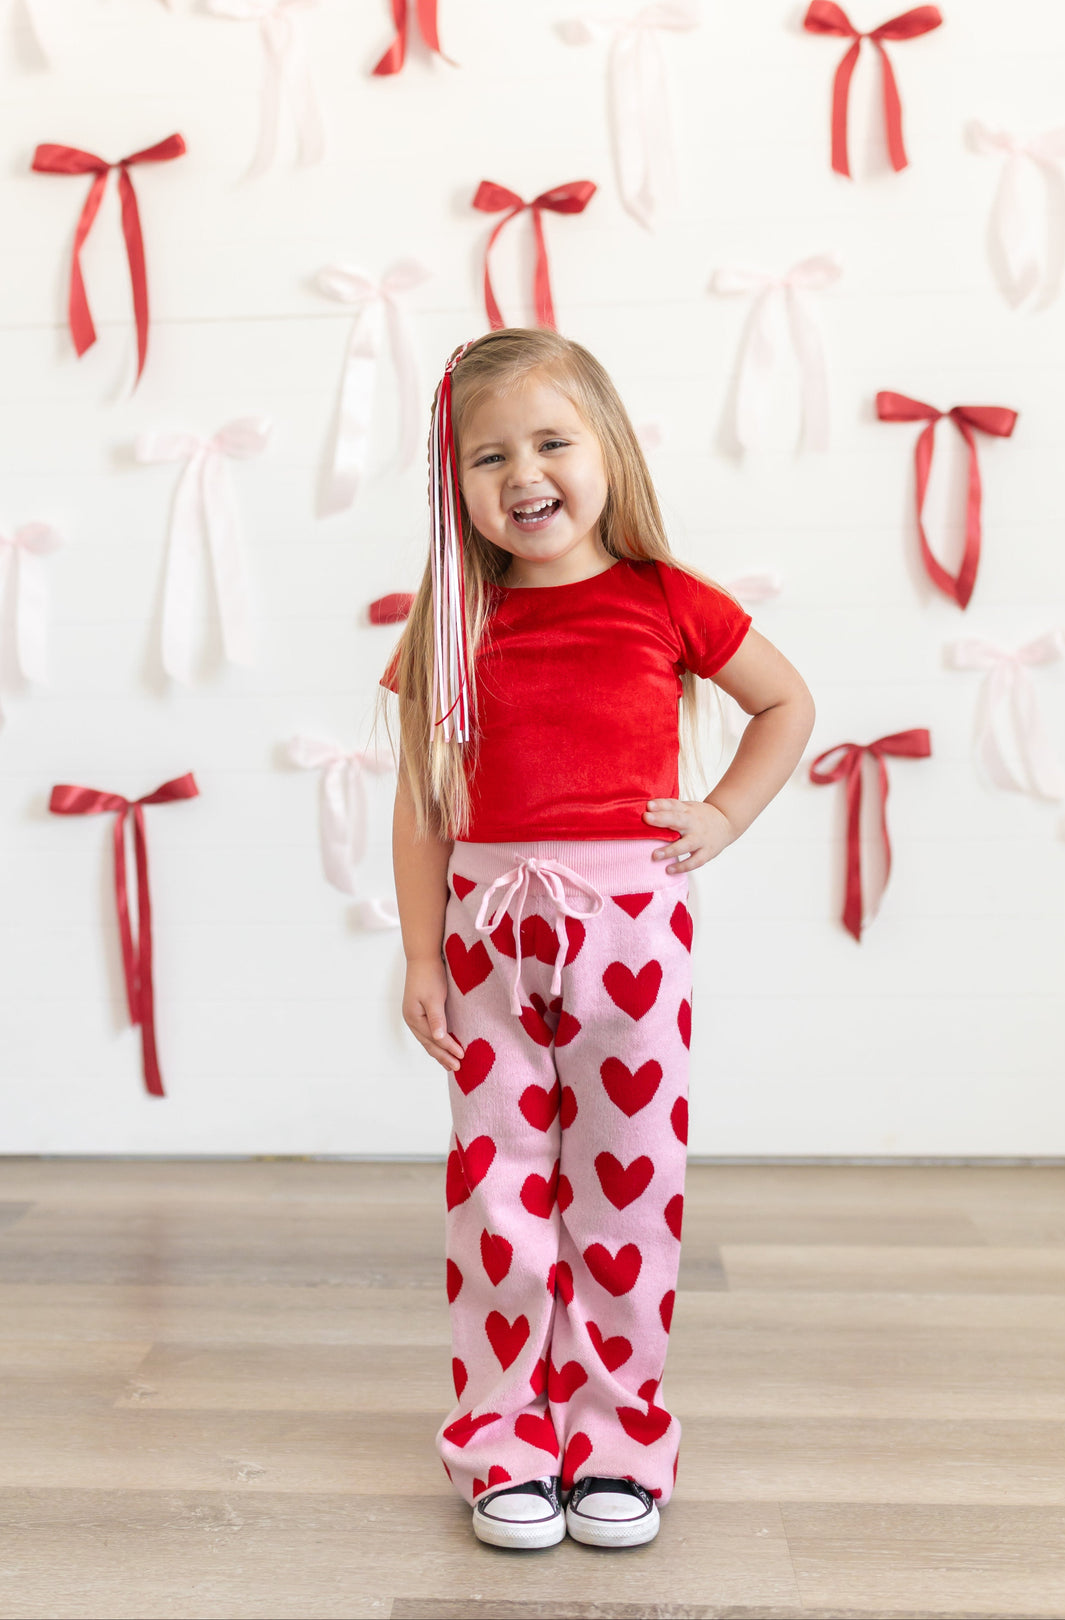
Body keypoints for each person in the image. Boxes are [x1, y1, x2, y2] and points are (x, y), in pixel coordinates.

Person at [376, 327, 814, 1551]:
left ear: (608, 448)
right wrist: (422, 955)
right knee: (499, 1192)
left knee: (628, 1187)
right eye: (488, 457)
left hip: (634, 935)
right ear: (453, 486)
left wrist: (723, 813)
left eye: (552, 442)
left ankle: (619, 1440)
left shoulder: (667, 598)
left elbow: (787, 703)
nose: (525, 473)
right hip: (488, 939)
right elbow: (421, 804)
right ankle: (504, 1440)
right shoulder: (451, 624)